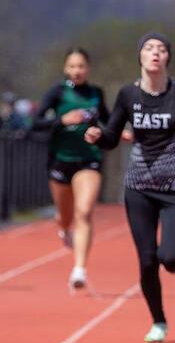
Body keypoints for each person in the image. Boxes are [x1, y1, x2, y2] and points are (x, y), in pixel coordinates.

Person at [85, 33, 175, 343]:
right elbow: (113, 135)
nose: (155, 53)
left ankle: (170, 253)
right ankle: (158, 321)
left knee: (171, 260)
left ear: (168, 57)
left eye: (161, 49)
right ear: (140, 57)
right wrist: (97, 137)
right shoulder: (128, 95)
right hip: (138, 187)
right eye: (148, 48)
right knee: (145, 260)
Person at [32, 48, 118, 289]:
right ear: (65, 68)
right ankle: (62, 223)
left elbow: (109, 121)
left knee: (84, 211)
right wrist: (62, 120)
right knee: (67, 215)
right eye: (72, 66)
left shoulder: (96, 94)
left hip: (89, 158)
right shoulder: (57, 93)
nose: (77, 71)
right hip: (60, 160)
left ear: (88, 68)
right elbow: (35, 123)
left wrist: (117, 132)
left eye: (81, 66)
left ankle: (79, 269)